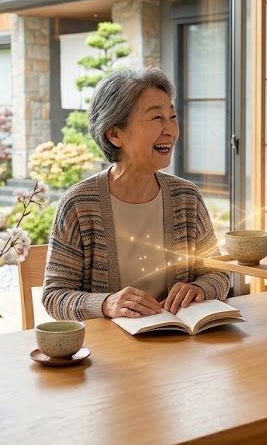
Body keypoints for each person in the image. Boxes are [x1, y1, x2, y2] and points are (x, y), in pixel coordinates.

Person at [42, 66, 231, 322]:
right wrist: (106, 303)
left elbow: (220, 273)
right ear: (114, 133)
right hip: (109, 352)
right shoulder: (79, 204)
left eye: (172, 117)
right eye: (156, 118)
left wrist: (199, 288)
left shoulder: (186, 197)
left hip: (179, 344)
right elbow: (55, 296)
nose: (170, 130)